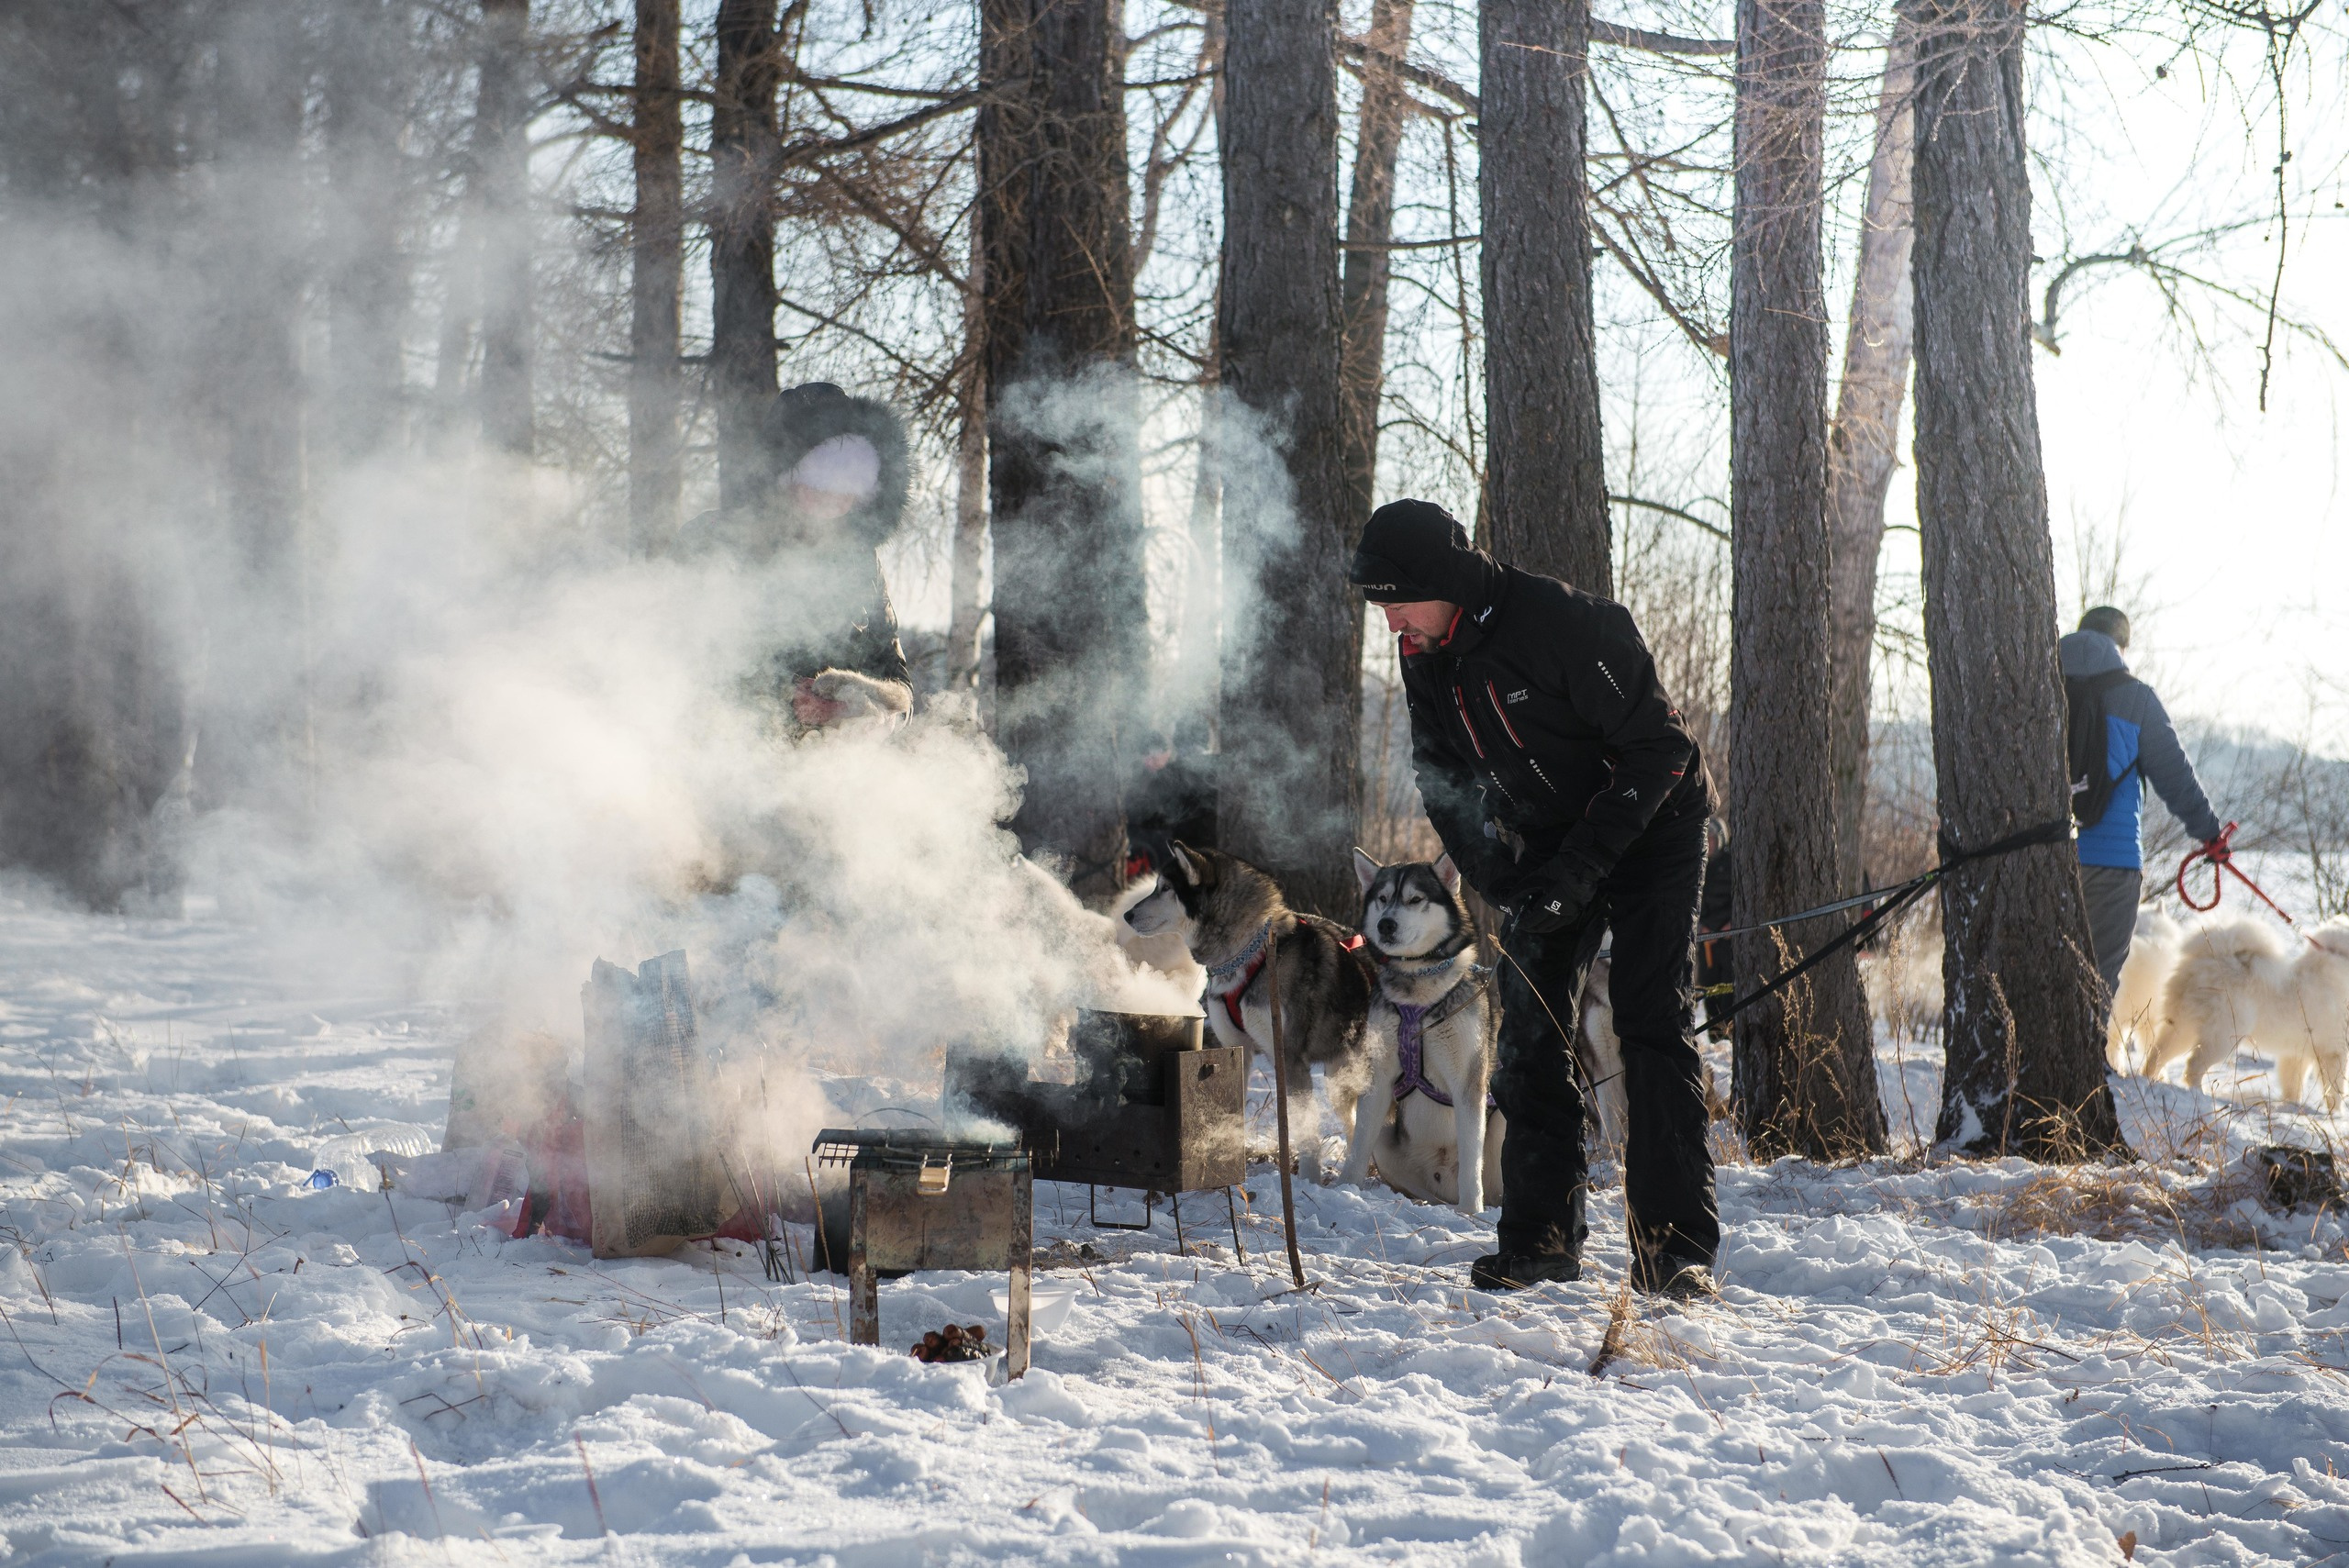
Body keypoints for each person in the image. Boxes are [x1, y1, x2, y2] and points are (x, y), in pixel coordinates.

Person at [1348, 499, 1718, 1297]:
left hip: (1655, 822)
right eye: (1382, 610)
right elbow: (1439, 780)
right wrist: (1505, 881)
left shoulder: (1568, 625)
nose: (1391, 625)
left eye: (1396, 603)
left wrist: (1579, 873)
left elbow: (1662, 751)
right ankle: (1540, 1240)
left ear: (1439, 581)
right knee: (1528, 1031)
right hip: (1549, 843)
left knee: (1650, 1019)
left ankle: (1676, 1252)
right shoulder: (1426, 654)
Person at [679, 382, 914, 732]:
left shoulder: (861, 562)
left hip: (838, 775)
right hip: (726, 766)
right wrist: (784, 701)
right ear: (783, 475)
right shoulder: (712, 542)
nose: (834, 497)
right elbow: (672, 664)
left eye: (849, 484)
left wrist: (873, 702)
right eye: (820, 480)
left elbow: (898, 686)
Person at [2063, 606, 2224, 1004]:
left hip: (2041, 852)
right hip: (2111, 861)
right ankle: (2084, 1065)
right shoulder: (2136, 698)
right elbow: (2175, 775)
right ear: (2120, 646)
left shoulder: (2036, 684)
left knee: (2038, 974)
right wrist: (2209, 834)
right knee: (2094, 980)